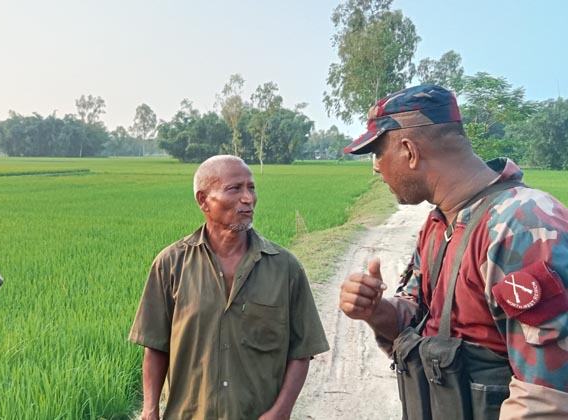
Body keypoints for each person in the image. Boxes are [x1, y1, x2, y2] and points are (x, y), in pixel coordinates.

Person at [338, 84, 568, 419]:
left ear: (409, 151)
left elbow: (547, 396)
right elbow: (417, 324)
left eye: (377, 152)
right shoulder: (438, 224)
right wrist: (375, 311)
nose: (375, 167)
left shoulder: (520, 227)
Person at [129, 155, 329, 419]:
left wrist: (281, 411)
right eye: (235, 189)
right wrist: (150, 409)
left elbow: (301, 350)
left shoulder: (286, 268)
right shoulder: (170, 264)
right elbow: (155, 345)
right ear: (203, 200)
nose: (248, 198)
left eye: (251, 187)